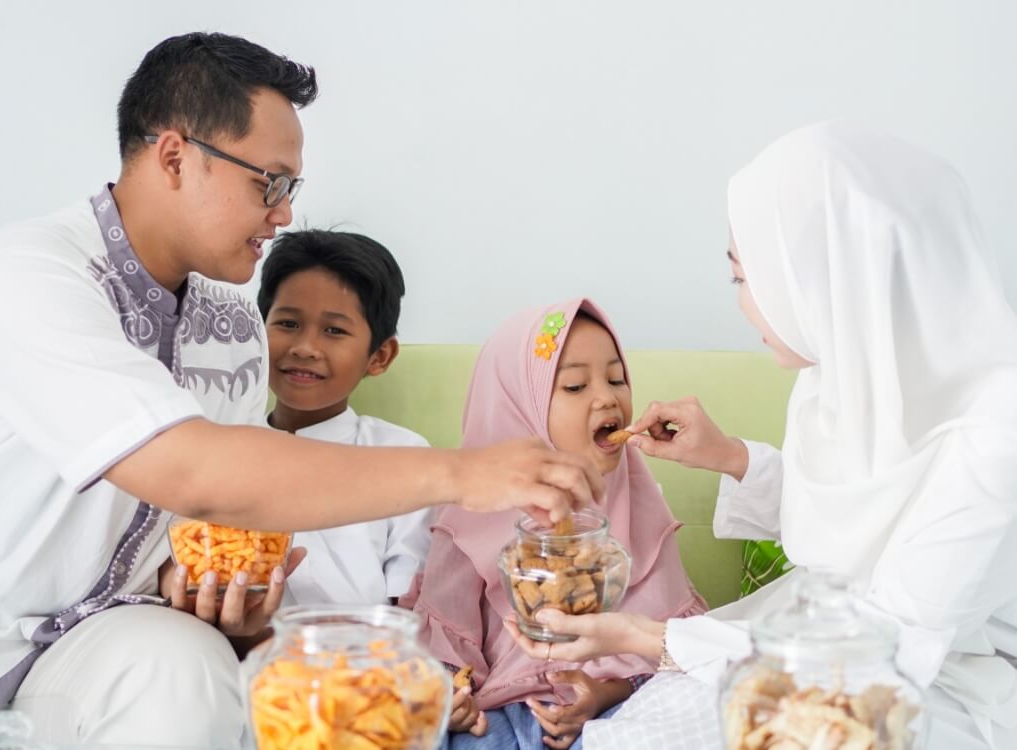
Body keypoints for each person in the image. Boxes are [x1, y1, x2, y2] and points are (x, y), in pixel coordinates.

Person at [0, 33, 601, 749]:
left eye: (292, 188)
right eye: (270, 182)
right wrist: (464, 473)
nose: (284, 213)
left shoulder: (231, 321)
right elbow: (192, 468)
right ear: (173, 157)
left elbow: (201, 519)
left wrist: (210, 591)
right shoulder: (28, 277)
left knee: (187, 670)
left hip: (93, 637)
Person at [503, 122, 1017, 749]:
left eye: (745, 278)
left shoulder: (998, 429)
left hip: (929, 679)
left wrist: (642, 636)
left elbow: (892, 643)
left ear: (828, 277)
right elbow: (849, 520)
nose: (745, 304)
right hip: (816, 635)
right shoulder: (836, 378)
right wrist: (727, 456)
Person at [403, 298, 706, 749]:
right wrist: (451, 693)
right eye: (575, 386)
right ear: (517, 409)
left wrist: (606, 693)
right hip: (502, 714)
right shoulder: (471, 518)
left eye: (617, 379)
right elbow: (447, 649)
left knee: (700, 704)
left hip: (620, 713)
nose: (606, 397)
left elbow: (672, 649)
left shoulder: (643, 505)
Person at [257, 228, 432, 607]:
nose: (305, 348)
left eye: (334, 330)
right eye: (288, 324)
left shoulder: (402, 457)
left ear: (380, 356)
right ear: (258, 330)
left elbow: (407, 601)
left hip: (367, 658)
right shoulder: (222, 448)